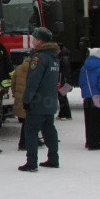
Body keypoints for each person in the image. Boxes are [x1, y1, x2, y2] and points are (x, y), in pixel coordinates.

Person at [19, 27, 60, 171]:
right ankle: (53, 158)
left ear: (40, 41)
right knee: (49, 129)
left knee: (30, 131)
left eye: (34, 39)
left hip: (38, 101)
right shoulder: (53, 58)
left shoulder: (38, 58)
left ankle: (31, 162)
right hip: (50, 101)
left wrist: (27, 99)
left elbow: (33, 81)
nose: (32, 41)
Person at [78, 48, 100, 151]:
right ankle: (95, 143)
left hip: (87, 97)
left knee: (88, 120)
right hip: (97, 97)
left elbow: (81, 82)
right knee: (95, 121)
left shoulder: (84, 68)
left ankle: (89, 141)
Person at [11, 52, 32, 151]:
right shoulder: (35, 69)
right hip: (30, 99)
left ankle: (23, 142)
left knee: (25, 121)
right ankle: (24, 142)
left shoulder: (19, 68)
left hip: (20, 98)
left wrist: (15, 94)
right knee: (29, 122)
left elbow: (13, 83)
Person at [57, 43, 73, 120]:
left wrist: (66, 81)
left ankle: (65, 114)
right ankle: (64, 113)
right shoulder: (63, 57)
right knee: (62, 96)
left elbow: (66, 71)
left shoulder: (63, 58)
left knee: (62, 97)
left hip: (62, 80)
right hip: (62, 79)